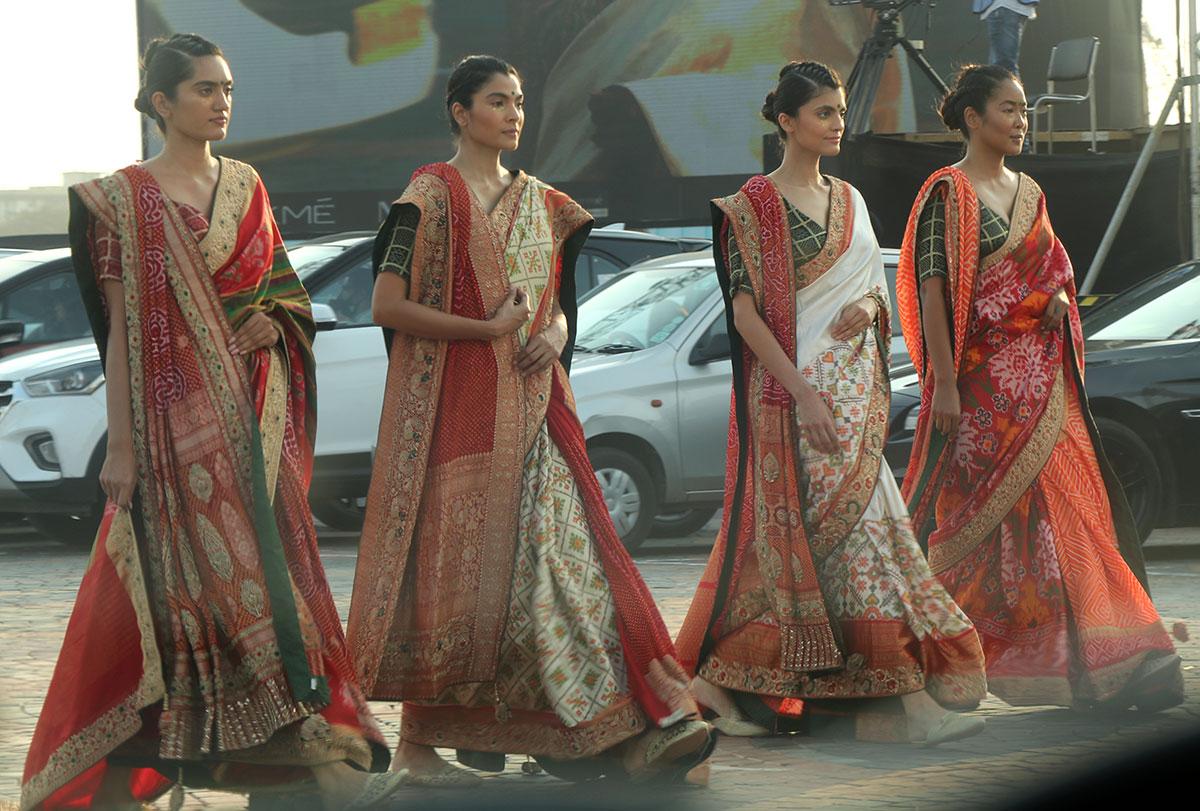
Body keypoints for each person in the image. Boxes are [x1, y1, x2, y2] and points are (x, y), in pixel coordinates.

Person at [20, 34, 404, 811]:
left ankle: (293, 765)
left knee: (269, 592)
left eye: (227, 88)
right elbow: (124, 332)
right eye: (204, 89)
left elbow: (288, 295)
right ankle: (130, 768)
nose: (221, 101)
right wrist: (122, 448)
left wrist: (273, 320)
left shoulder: (249, 185)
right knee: (161, 608)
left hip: (254, 429)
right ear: (162, 103)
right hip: (169, 433)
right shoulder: (123, 199)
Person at [346, 54, 714, 786]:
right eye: (496, 101)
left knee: (568, 563)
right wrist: (483, 332)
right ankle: (425, 745)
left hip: (541, 416)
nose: (514, 113)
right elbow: (386, 306)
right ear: (459, 111)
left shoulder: (546, 204)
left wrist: (556, 336)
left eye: (518, 100)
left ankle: (620, 719)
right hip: (459, 420)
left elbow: (562, 311)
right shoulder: (426, 197)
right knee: (454, 584)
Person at [673, 61, 988, 745]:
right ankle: (903, 704)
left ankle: (720, 682)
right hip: (794, 402)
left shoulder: (849, 200)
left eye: (840, 111)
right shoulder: (752, 205)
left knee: (840, 545)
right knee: (861, 537)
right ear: (786, 121)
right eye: (822, 112)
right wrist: (803, 392)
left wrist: (868, 307)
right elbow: (747, 315)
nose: (837, 123)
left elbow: (876, 290)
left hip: (854, 399)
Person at [896, 64, 1182, 711]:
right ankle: (937, 653)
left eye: (1025, 110)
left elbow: (1056, 271)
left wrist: (1056, 296)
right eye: (1009, 109)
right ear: (973, 117)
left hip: (1042, 388)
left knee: (1074, 514)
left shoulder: (1029, 191)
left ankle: (1113, 656)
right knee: (981, 534)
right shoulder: (948, 191)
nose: (1022, 121)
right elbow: (932, 288)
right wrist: (941, 384)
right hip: (978, 395)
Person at [973, 0, 1039, 77]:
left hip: (1003, 6)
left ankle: (1009, 89)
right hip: (1007, 7)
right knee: (998, 68)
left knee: (1003, 68)